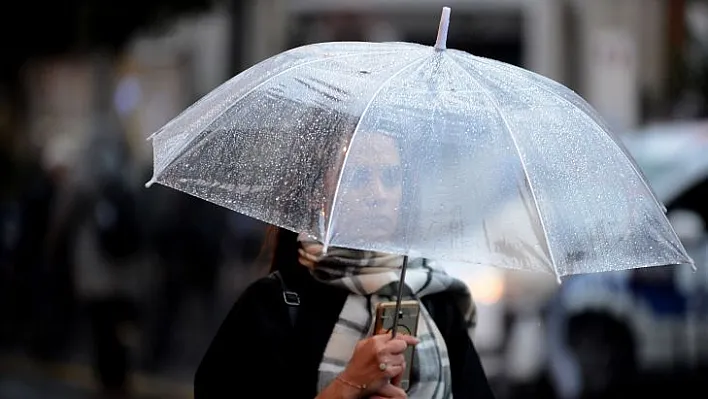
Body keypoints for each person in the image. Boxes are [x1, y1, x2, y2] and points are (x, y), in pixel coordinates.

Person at [194, 130, 495, 398]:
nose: (377, 194)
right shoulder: (275, 305)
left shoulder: (435, 301)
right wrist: (350, 384)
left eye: (390, 178)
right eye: (358, 178)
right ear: (317, 194)